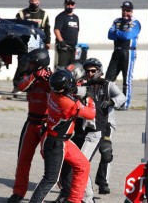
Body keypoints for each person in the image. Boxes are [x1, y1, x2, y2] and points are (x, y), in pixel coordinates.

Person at [54, 59, 125, 203]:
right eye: (87, 71)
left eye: (93, 71)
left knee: (100, 155)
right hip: (81, 131)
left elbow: (122, 97)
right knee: (66, 162)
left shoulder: (107, 85)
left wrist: (112, 102)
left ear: (99, 70)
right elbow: (76, 91)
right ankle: (66, 193)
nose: (90, 73)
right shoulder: (83, 85)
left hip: (100, 128)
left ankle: (94, 192)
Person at [29, 69, 96, 203]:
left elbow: (67, 89)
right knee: (50, 178)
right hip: (55, 143)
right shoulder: (68, 103)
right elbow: (91, 114)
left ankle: (73, 200)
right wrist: (89, 98)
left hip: (59, 139)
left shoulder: (54, 92)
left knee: (83, 165)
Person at [7, 48, 52, 203]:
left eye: (32, 63)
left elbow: (55, 92)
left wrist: (46, 78)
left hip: (47, 124)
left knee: (52, 160)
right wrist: (34, 75)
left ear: (40, 63)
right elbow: (21, 87)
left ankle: (65, 191)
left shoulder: (51, 78)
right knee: (23, 159)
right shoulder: (30, 76)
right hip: (31, 122)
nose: (29, 65)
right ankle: (18, 192)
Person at [105, 1, 141, 111]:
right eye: (124, 10)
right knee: (108, 79)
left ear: (131, 11)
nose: (125, 12)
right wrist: (120, 33)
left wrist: (117, 33)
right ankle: (107, 101)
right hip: (116, 51)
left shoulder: (135, 23)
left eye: (128, 10)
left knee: (127, 80)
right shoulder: (117, 21)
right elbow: (109, 35)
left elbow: (128, 36)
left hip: (128, 52)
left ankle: (125, 104)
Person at [12, 0, 51, 94]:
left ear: (39, 1)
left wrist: (48, 42)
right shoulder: (22, 13)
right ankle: (17, 86)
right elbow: (16, 29)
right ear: (29, 1)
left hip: (38, 45)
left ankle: (35, 86)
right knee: (22, 65)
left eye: (36, 1)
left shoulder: (44, 14)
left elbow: (47, 29)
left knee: (38, 65)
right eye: (32, 1)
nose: (34, 3)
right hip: (24, 44)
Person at [54, 0, 79, 69]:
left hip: (72, 48)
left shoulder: (76, 17)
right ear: (65, 4)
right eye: (68, 4)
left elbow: (77, 30)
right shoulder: (61, 16)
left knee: (71, 68)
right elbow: (56, 30)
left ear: (74, 5)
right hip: (63, 48)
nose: (70, 6)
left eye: (72, 4)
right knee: (62, 68)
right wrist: (61, 41)